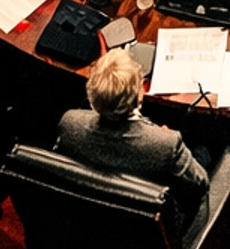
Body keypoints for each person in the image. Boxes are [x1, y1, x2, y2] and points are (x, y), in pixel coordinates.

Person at [57, 51, 212, 234]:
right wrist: (161, 137)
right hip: (152, 231)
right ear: (140, 92)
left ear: (91, 92)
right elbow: (201, 183)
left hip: (94, 222)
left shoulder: (69, 123)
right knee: (204, 152)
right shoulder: (166, 144)